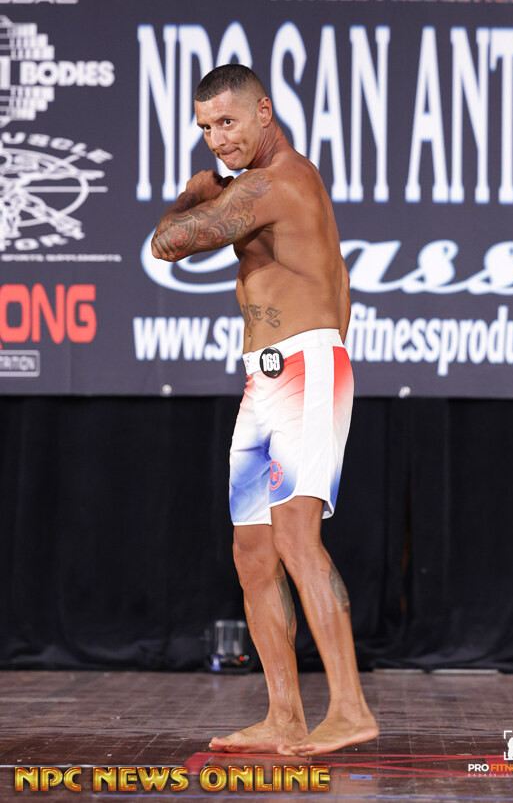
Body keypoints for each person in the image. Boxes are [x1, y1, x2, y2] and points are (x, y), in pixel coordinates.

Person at [152, 64, 378, 756]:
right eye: (206, 128)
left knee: (295, 538)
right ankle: (284, 715)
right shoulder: (266, 182)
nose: (218, 139)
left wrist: (192, 194)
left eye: (227, 121)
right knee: (252, 551)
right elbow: (335, 280)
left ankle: (350, 709)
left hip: (304, 368)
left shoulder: (274, 182)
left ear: (264, 112)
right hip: (267, 378)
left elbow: (169, 244)